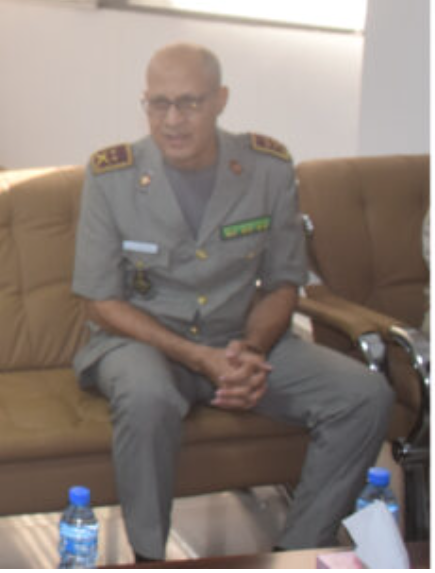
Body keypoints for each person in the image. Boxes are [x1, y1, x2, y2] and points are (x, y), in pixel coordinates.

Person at [71, 42, 393, 561]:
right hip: (141, 342)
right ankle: (150, 557)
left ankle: (298, 550)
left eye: (189, 103)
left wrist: (247, 350)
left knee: (364, 396)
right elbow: (100, 301)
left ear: (220, 100)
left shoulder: (267, 168)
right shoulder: (113, 176)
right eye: (158, 104)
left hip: (239, 337)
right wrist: (201, 359)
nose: (172, 121)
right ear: (145, 103)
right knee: (147, 398)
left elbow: (284, 282)